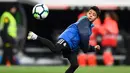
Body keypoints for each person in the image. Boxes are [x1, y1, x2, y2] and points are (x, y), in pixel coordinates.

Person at [27, 6, 101, 73]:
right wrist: (87, 48)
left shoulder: (89, 27)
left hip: (72, 46)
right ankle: (35, 36)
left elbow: (83, 43)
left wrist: (93, 48)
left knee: (75, 65)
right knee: (55, 49)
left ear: (96, 18)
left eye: (93, 14)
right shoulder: (85, 21)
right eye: (89, 13)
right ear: (87, 13)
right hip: (67, 39)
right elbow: (84, 41)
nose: (91, 15)